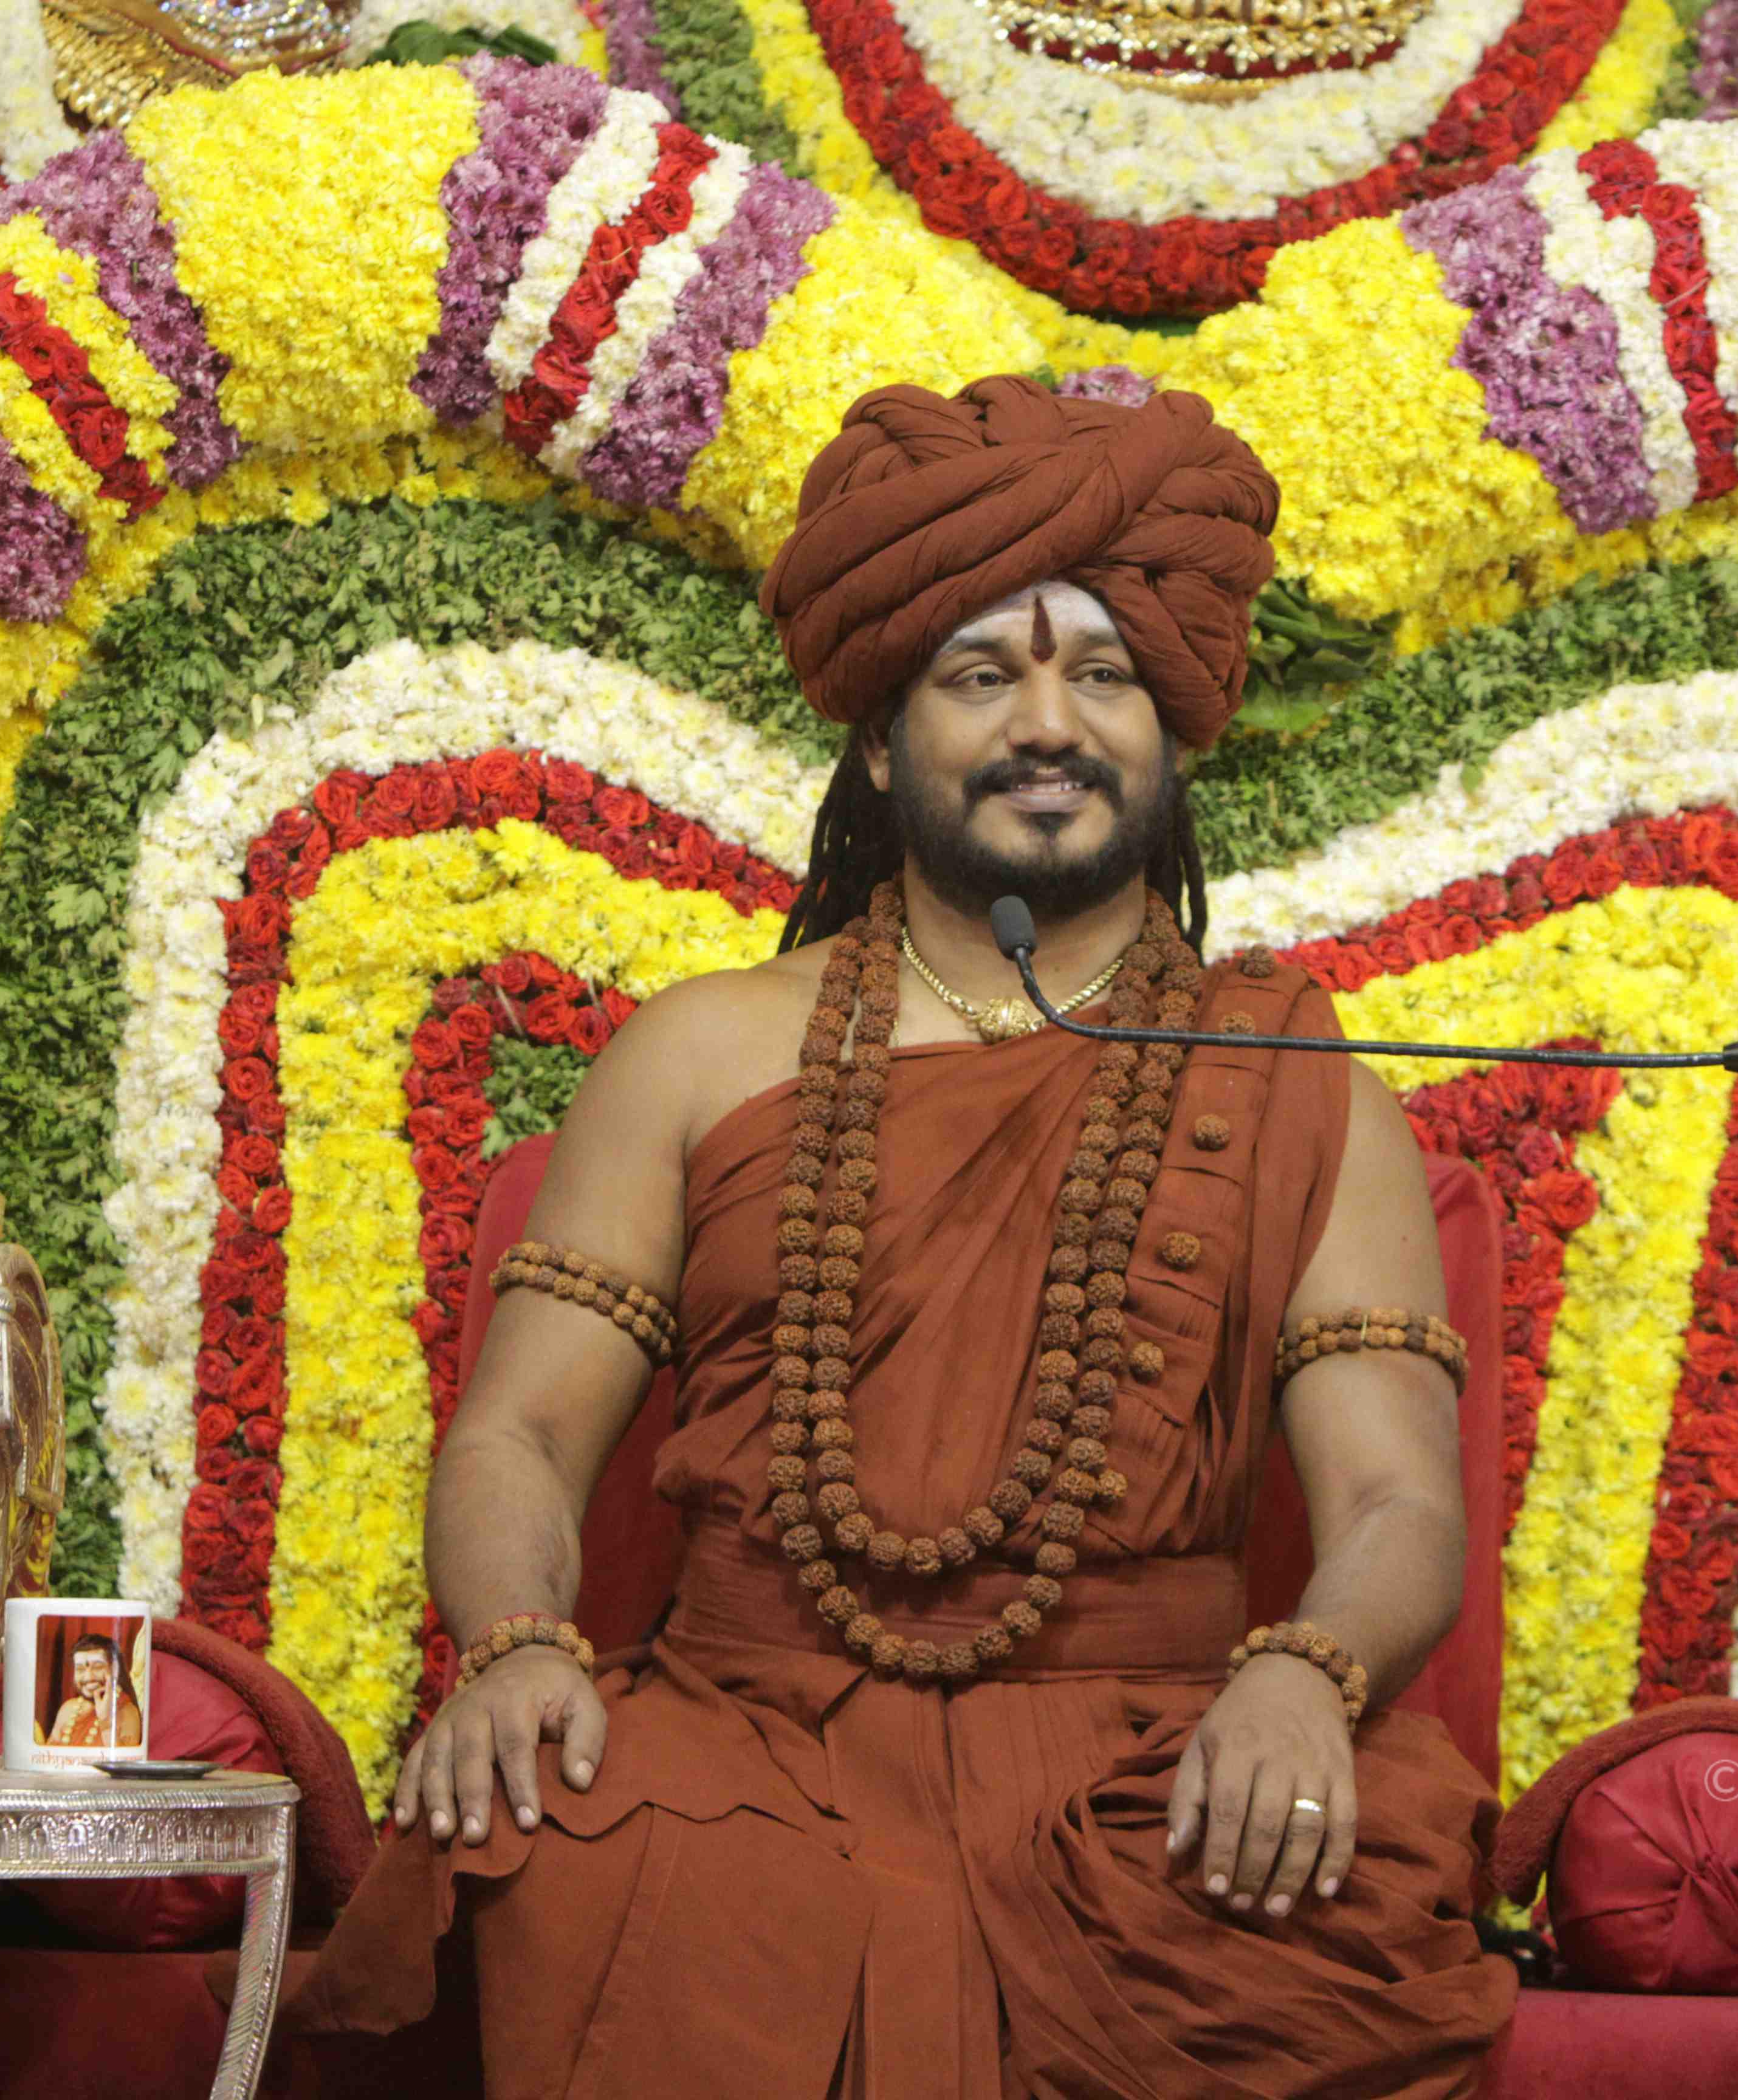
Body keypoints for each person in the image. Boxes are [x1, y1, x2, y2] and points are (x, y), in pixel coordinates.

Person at [284, 376, 1514, 2096]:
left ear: (1170, 735)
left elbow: (1393, 1502)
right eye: (981, 674)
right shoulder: (704, 1049)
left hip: (1153, 1763)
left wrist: (1306, 1680)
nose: (1050, 723)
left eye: (1105, 676)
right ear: (879, 740)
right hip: (748, 1740)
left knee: (1343, 1887)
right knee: (547, 1837)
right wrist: (515, 1647)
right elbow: (521, 1434)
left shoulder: (1298, 1082)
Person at [43, 1632, 144, 1749]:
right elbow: (48, 1755)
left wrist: (106, 1725)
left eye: (98, 1667)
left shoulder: (128, 1713)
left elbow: (123, 1760)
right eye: (80, 1669)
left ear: (115, 1670)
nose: (88, 1677)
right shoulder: (68, 1708)